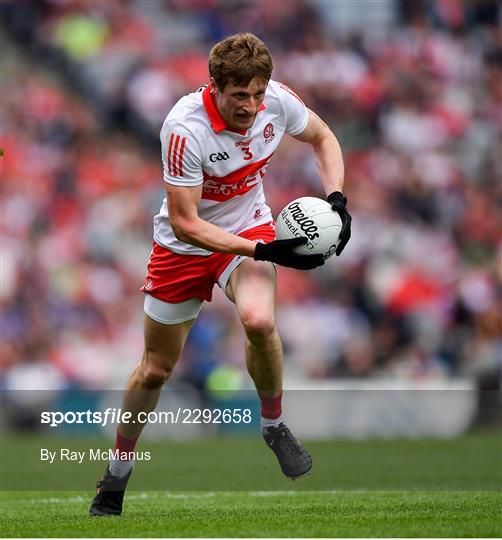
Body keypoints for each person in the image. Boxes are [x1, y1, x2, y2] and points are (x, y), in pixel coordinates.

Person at [89, 32, 351, 516]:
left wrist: (337, 199)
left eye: (257, 94)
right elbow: (187, 223)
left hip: (248, 225)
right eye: (239, 96)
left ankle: (273, 426)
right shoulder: (184, 128)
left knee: (258, 320)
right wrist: (262, 248)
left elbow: (323, 137)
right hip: (182, 246)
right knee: (155, 370)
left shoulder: (277, 100)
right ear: (215, 86)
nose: (251, 106)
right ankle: (118, 471)